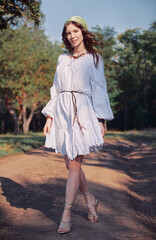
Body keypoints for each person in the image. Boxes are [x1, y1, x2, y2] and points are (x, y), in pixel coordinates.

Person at [42, 16, 114, 234]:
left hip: (82, 113)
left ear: (83, 32)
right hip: (62, 112)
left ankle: (66, 214)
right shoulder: (62, 59)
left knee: (74, 164)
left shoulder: (94, 59)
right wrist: (50, 116)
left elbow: (99, 89)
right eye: (68, 33)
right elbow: (56, 88)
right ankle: (90, 199)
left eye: (75, 31)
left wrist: (101, 119)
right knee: (70, 164)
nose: (71, 36)